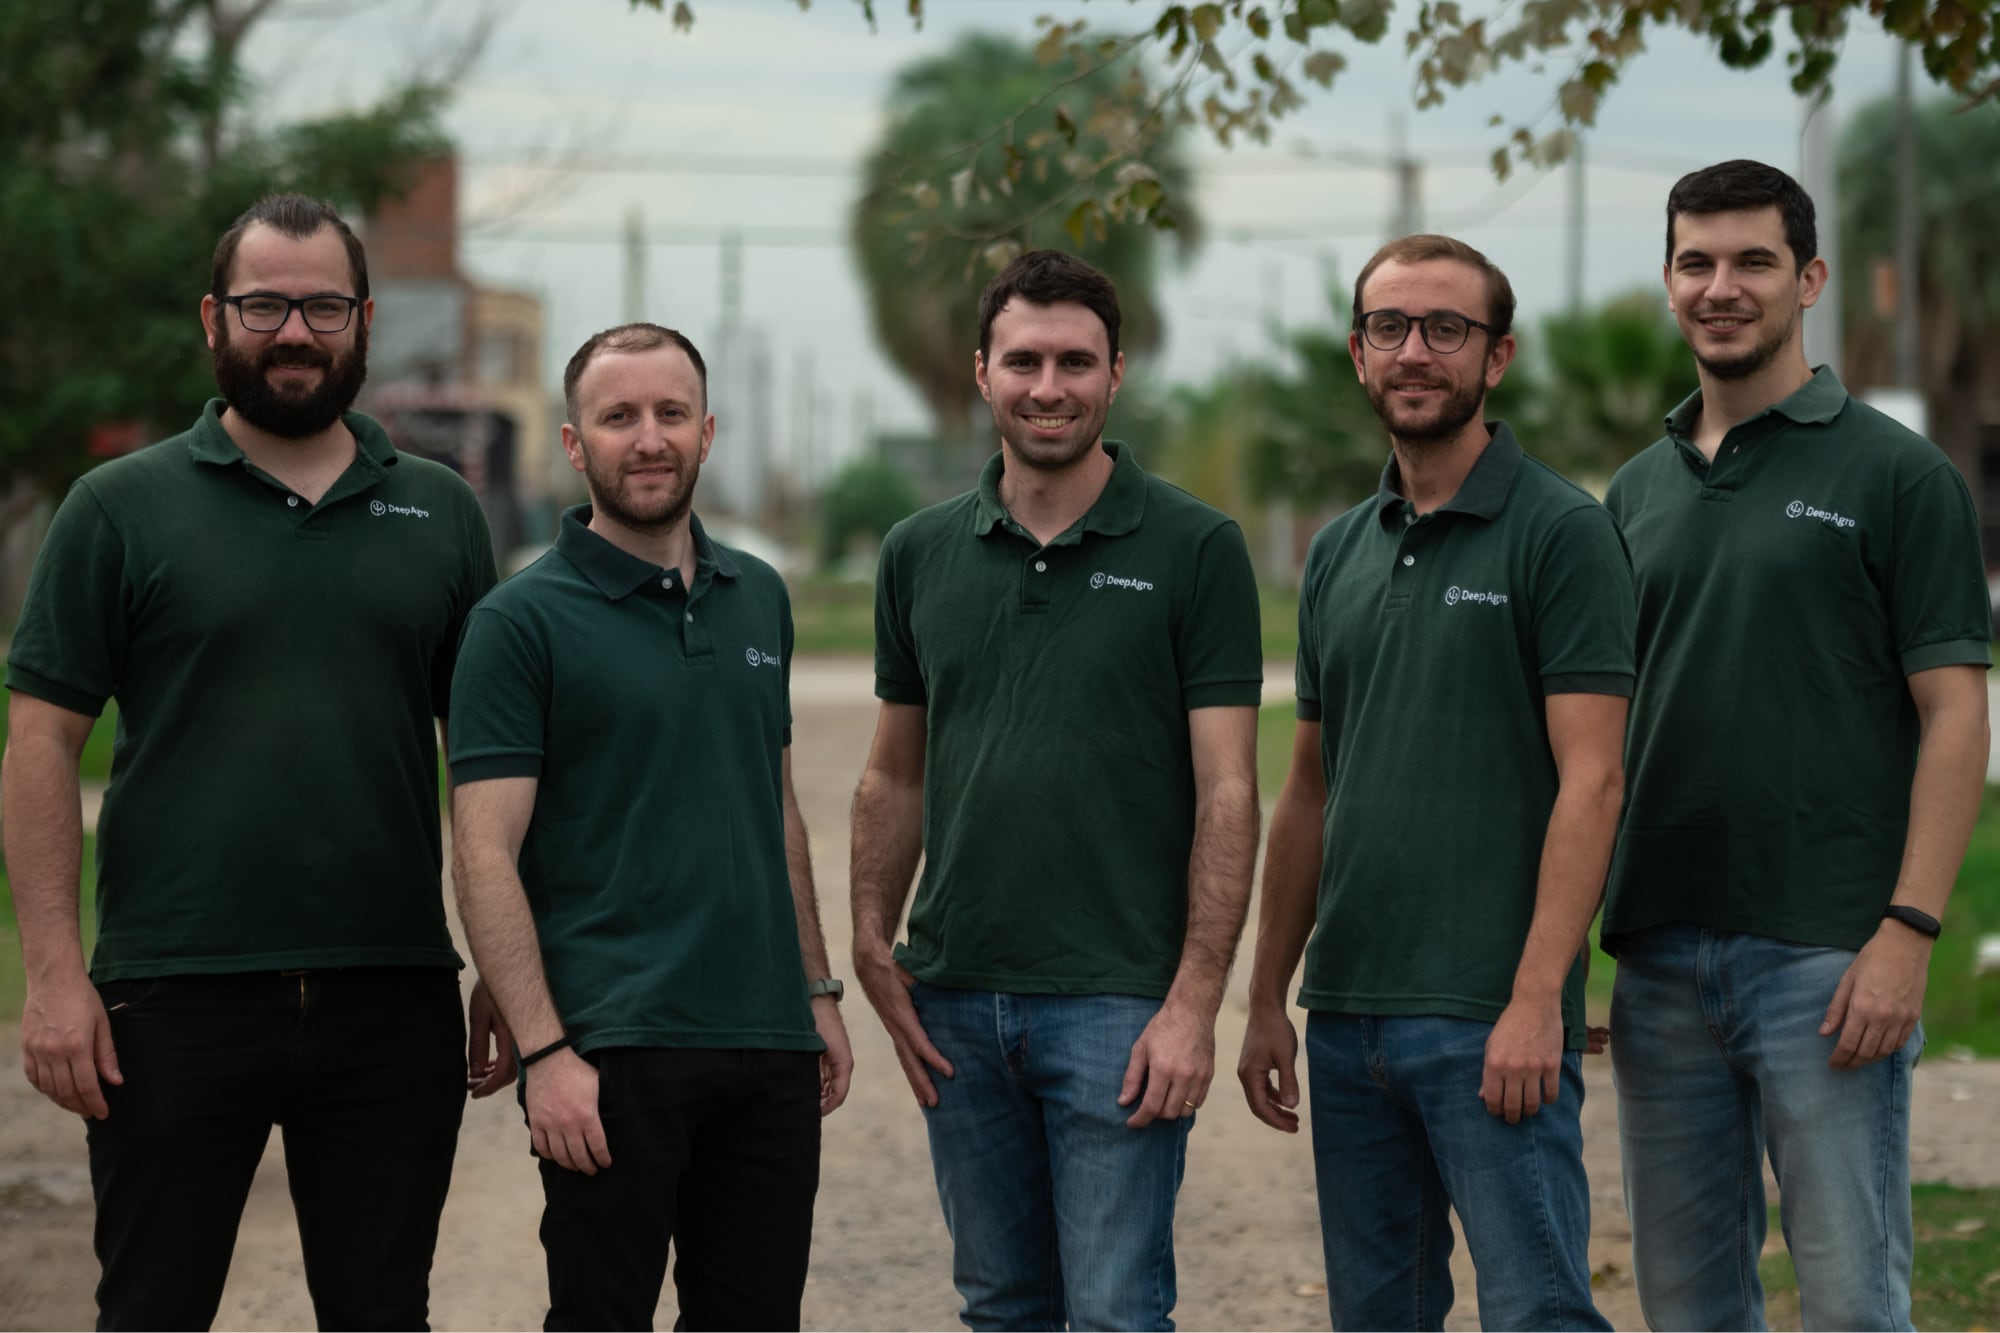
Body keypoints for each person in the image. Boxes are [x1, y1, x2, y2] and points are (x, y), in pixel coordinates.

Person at [2, 192, 505, 1331]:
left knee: (383, 1313)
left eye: (323, 307)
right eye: (263, 305)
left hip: (391, 993)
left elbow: (489, 764)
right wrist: (54, 976)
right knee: (152, 1309)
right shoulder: (117, 508)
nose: (293, 332)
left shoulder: (442, 512)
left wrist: (511, 965)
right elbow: (39, 744)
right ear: (213, 318)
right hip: (169, 994)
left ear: (363, 320)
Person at [1602, 159, 1991, 1332]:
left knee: (1850, 1303)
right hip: (1656, 955)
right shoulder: (1631, 493)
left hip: (1826, 957)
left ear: (1808, 279)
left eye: (1752, 262)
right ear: (1668, 281)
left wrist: (1907, 929)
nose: (1719, 287)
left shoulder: (1896, 475)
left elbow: (1954, 712)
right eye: (1694, 262)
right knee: (1686, 1308)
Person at [847, 249, 1262, 1330]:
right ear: (981, 372)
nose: (1048, 386)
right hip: (955, 996)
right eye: (1023, 360)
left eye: (1075, 361)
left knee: (1118, 1310)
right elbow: (894, 771)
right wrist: (870, 937)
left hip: (1118, 1002)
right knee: (999, 1307)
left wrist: (1193, 1002)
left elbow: (1228, 790)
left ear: (1115, 374)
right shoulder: (917, 553)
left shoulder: (1197, 548)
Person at [1237, 233, 1630, 1332]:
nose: (1414, 351)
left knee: (1540, 1312)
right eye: (1389, 327)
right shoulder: (1337, 551)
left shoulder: (1562, 533)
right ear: (1358, 353)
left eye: (1445, 328)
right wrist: (1266, 998)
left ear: (1496, 356)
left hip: (1487, 1018)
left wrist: (1535, 999)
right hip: (1347, 1016)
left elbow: (1594, 781)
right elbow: (1308, 790)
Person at [448, 322, 853, 1332]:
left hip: (765, 1040)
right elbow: (484, 851)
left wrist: (814, 988)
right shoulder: (518, 622)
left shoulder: (758, 596)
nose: (648, 437)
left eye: (671, 413)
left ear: (706, 432)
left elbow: (774, 805)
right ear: (573, 444)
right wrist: (545, 1052)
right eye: (617, 416)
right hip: (610, 1046)